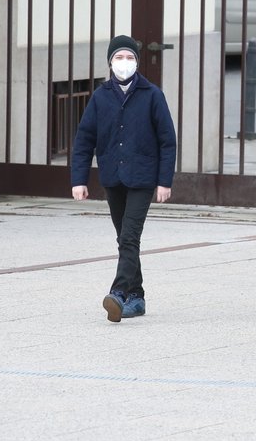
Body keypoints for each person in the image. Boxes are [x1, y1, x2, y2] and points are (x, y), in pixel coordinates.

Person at [71, 35, 177, 323]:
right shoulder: (100, 96)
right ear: (110, 62)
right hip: (113, 177)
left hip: (142, 178)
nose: (124, 63)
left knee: (129, 236)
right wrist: (78, 180)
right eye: (119, 57)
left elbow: (168, 140)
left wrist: (164, 181)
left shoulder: (152, 94)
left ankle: (118, 293)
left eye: (130, 58)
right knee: (124, 239)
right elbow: (84, 140)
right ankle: (137, 297)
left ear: (137, 63)